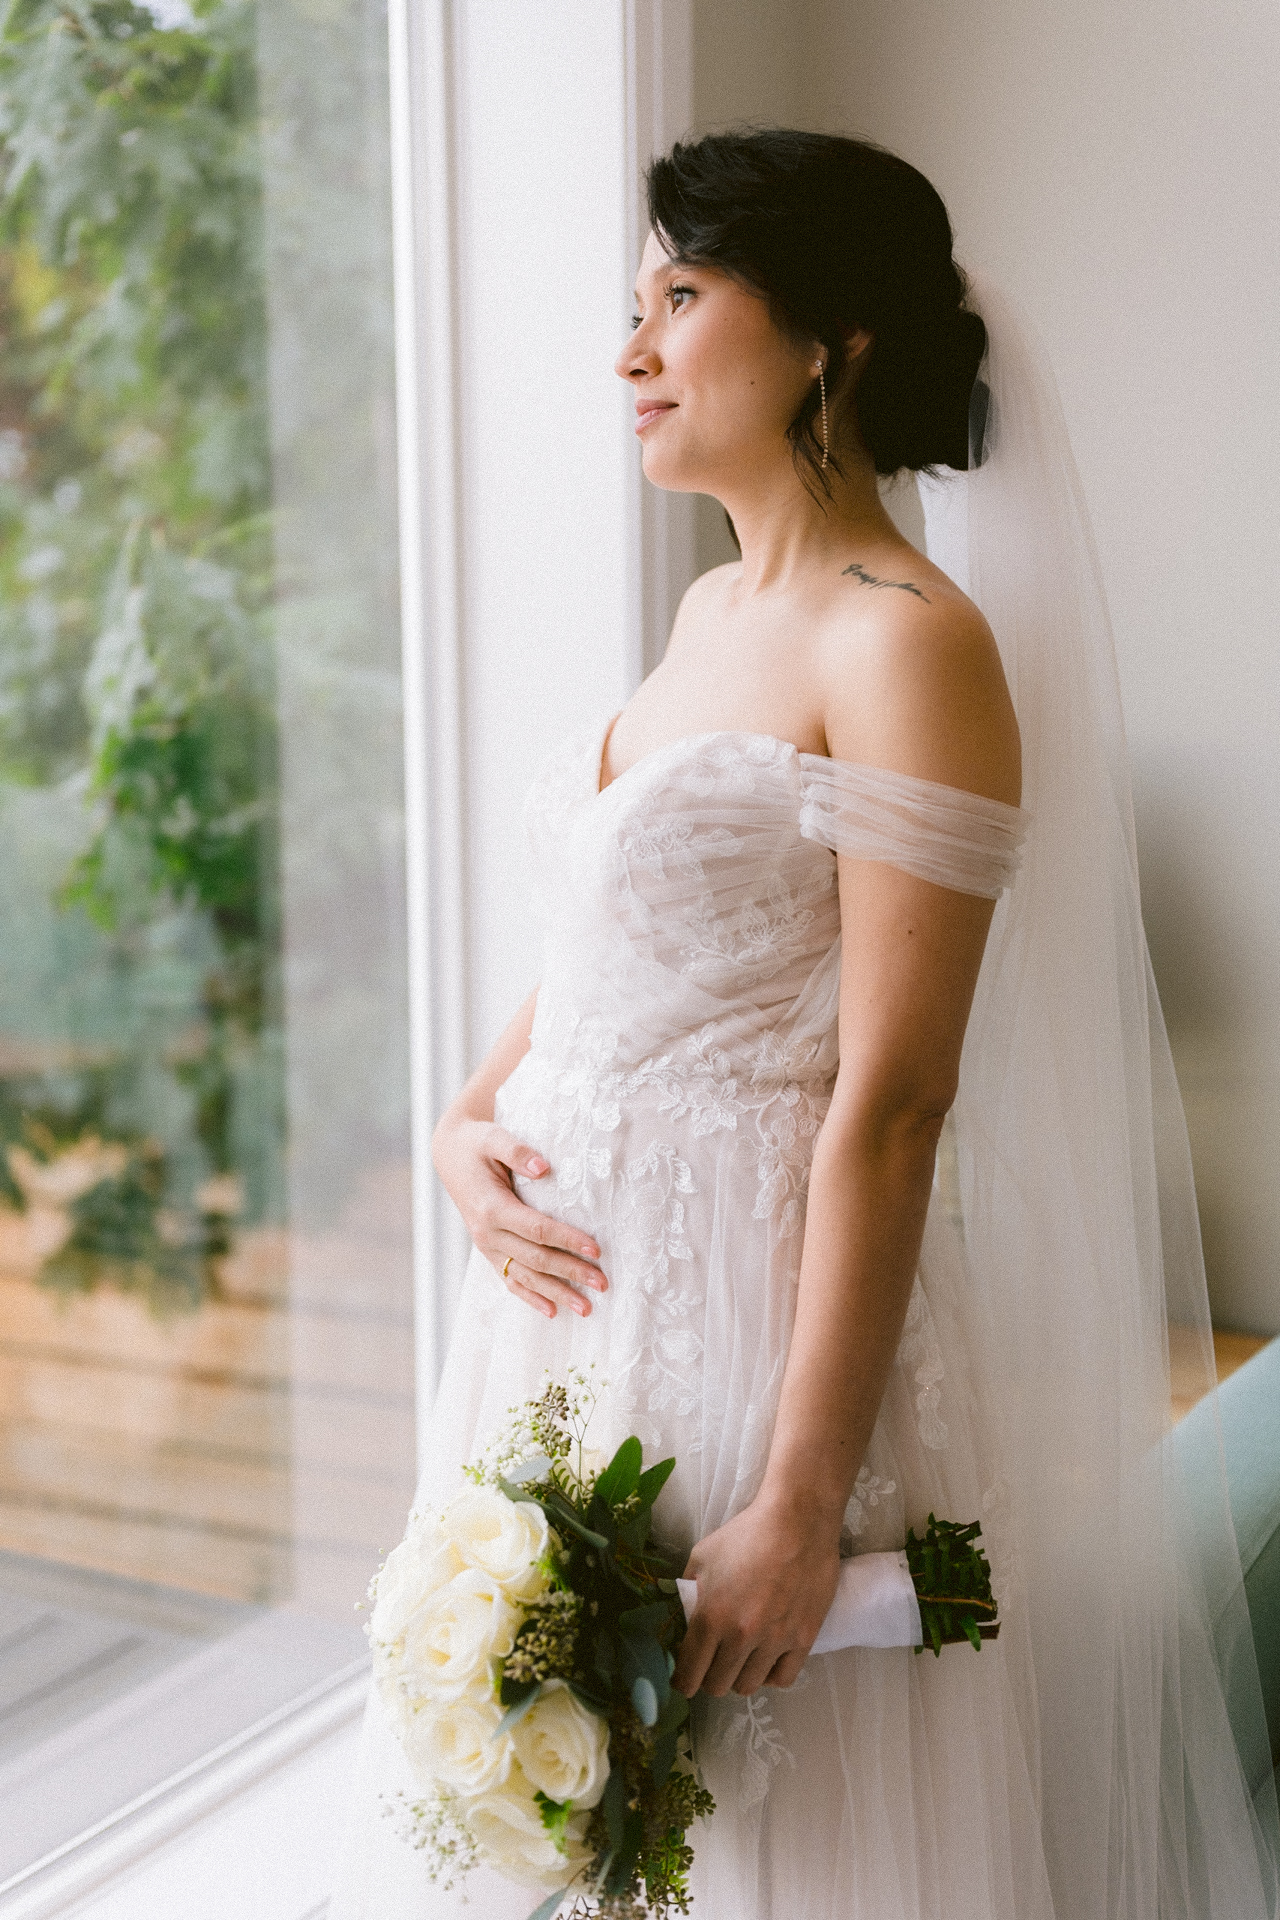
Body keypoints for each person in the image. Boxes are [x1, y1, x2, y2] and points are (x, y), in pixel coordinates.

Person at [331, 131, 1277, 1920]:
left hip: (752, 1331)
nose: (630, 352)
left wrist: (797, 1495)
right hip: (563, 1317)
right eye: (634, 303)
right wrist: (469, 1117)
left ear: (829, 342)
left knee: (770, 1817)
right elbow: (619, 931)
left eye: (679, 299)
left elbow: (899, 1098)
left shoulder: (911, 643)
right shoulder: (705, 610)